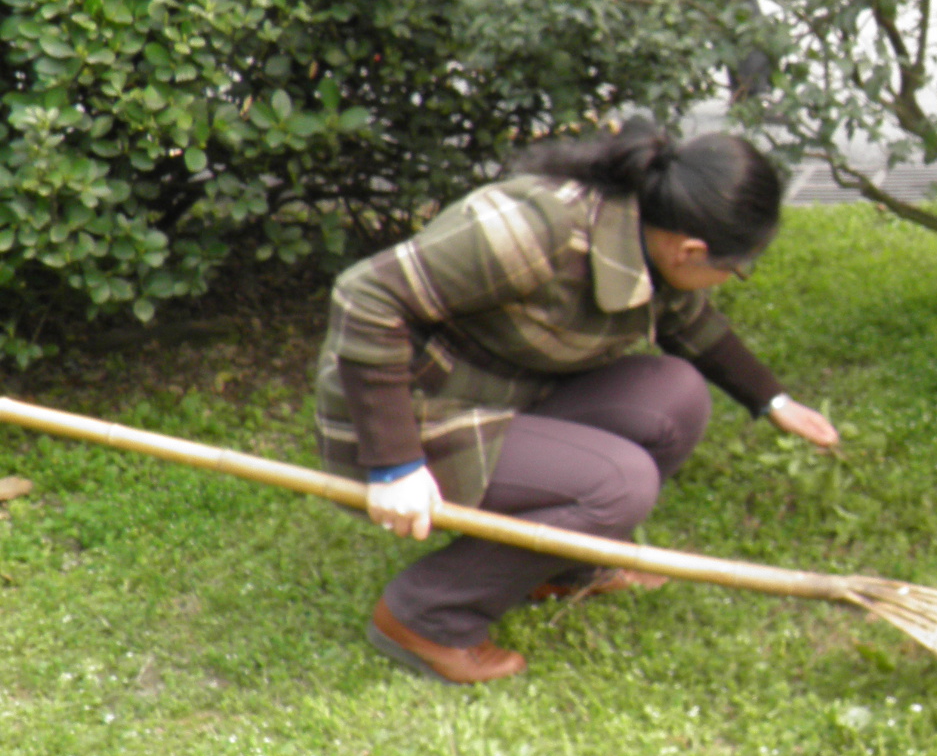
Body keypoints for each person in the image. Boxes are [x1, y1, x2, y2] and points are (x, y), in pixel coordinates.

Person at [316, 122, 840, 684]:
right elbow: (365, 296)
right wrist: (395, 462)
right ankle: (425, 615)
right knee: (620, 482)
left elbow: (686, 318)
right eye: (735, 267)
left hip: (503, 389)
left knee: (677, 397)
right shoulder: (534, 232)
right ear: (690, 249)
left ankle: (563, 567)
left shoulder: (645, 223)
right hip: (401, 412)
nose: (733, 277)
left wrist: (772, 399)